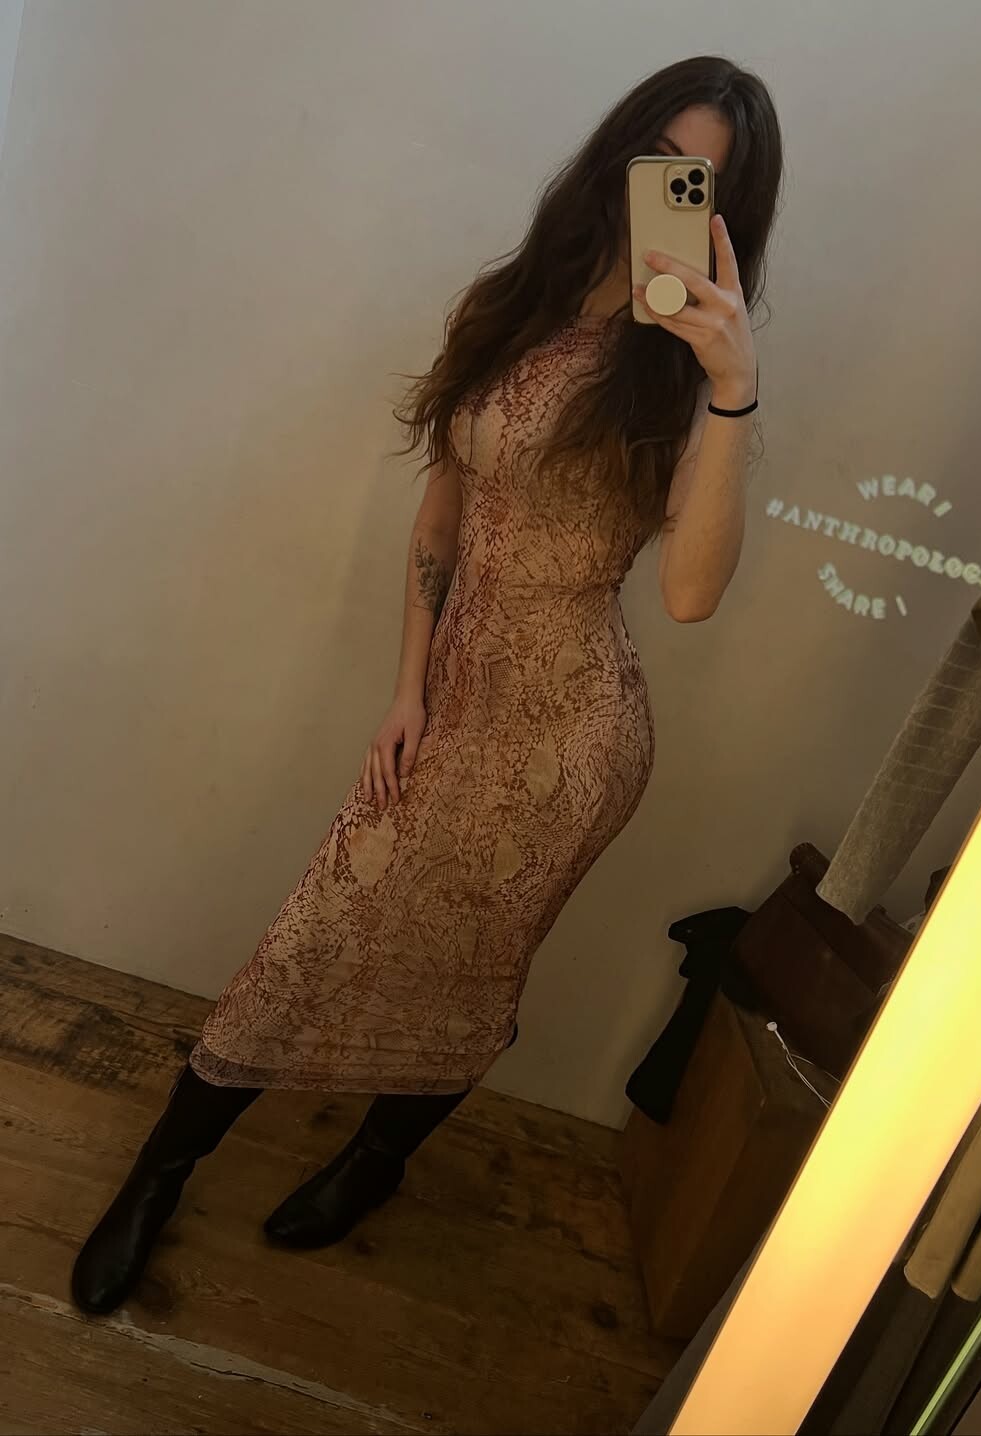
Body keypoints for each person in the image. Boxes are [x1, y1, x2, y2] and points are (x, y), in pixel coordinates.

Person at [71, 53, 783, 1317]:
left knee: (473, 969)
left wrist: (734, 389)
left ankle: (377, 1159)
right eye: (658, 159)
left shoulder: (683, 377)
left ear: (728, 214)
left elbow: (688, 595)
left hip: (570, 743)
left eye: (700, 183)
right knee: (315, 935)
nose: (665, 192)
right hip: (451, 702)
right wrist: (407, 690)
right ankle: (158, 1174)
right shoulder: (514, 303)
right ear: (618, 153)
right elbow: (444, 511)